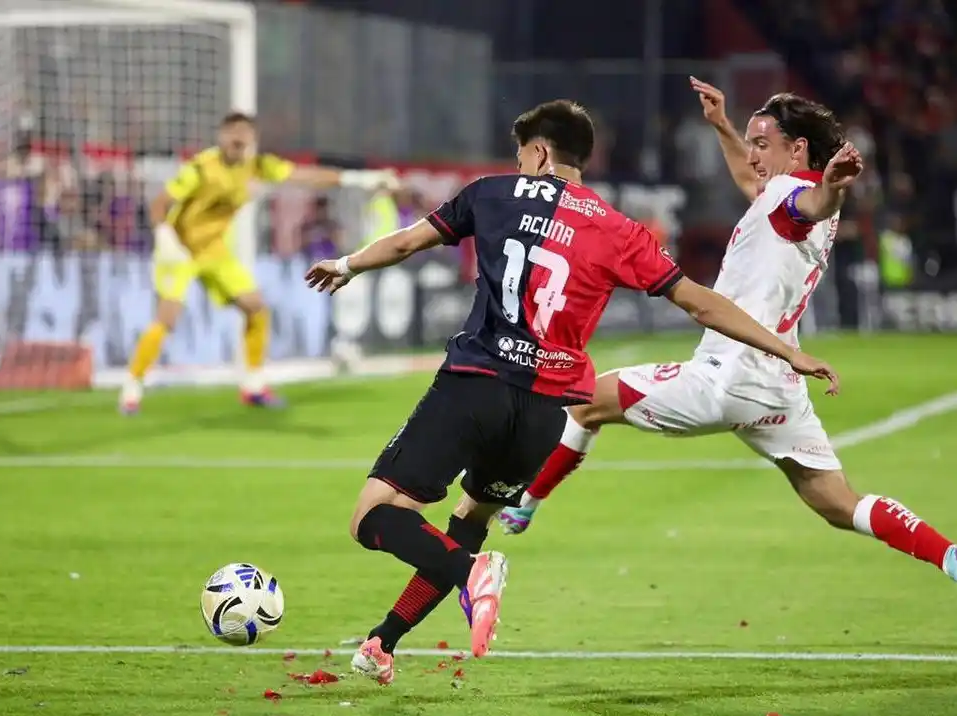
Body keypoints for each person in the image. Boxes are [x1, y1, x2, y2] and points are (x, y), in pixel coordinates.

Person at [304, 99, 839, 684]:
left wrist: (349, 264)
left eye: (521, 152)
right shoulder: (618, 229)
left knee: (373, 517)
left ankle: (470, 574)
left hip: (475, 384)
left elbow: (407, 242)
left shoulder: (490, 193)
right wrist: (784, 347)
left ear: (538, 151)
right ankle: (384, 642)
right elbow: (698, 301)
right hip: (544, 413)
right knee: (469, 515)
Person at [497, 81, 957, 586]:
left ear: (797, 148)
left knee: (585, 403)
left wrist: (833, 187)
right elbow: (761, 184)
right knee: (839, 503)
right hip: (778, 388)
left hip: (727, 377)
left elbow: (812, 202)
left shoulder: (798, 197)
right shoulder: (782, 195)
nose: (753, 154)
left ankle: (525, 503)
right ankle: (948, 556)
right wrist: (721, 125)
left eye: (762, 143)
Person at [118, 111, 397, 413]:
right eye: (232, 133)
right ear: (222, 137)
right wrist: (164, 238)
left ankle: (252, 385)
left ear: (252, 139)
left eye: (244, 134)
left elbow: (304, 177)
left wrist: (358, 178)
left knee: (256, 307)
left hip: (214, 251)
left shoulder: (257, 166)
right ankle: (132, 386)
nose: (238, 140)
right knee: (167, 318)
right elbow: (160, 203)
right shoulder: (201, 168)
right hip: (179, 250)